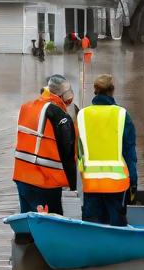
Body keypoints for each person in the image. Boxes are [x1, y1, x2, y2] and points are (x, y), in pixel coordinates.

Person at [13, 73, 79, 220]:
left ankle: (24, 234)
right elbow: (67, 153)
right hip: (45, 181)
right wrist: (73, 186)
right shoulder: (59, 115)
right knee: (51, 224)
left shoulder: (27, 107)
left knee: (28, 222)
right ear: (64, 95)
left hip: (22, 176)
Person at [77, 73, 137, 226]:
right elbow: (129, 152)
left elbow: (79, 151)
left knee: (92, 228)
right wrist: (133, 182)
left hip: (91, 183)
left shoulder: (82, 114)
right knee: (117, 229)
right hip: (116, 184)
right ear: (112, 90)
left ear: (95, 90)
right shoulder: (122, 115)